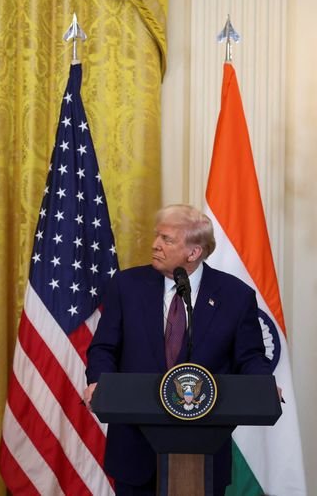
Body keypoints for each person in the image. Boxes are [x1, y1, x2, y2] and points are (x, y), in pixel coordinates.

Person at [84, 204, 271, 496]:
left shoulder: (235, 295)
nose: (155, 244)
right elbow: (104, 347)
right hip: (136, 449)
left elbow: (250, 357)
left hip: (205, 449)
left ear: (193, 253)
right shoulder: (127, 285)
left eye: (167, 239)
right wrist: (99, 382)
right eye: (157, 236)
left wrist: (264, 386)